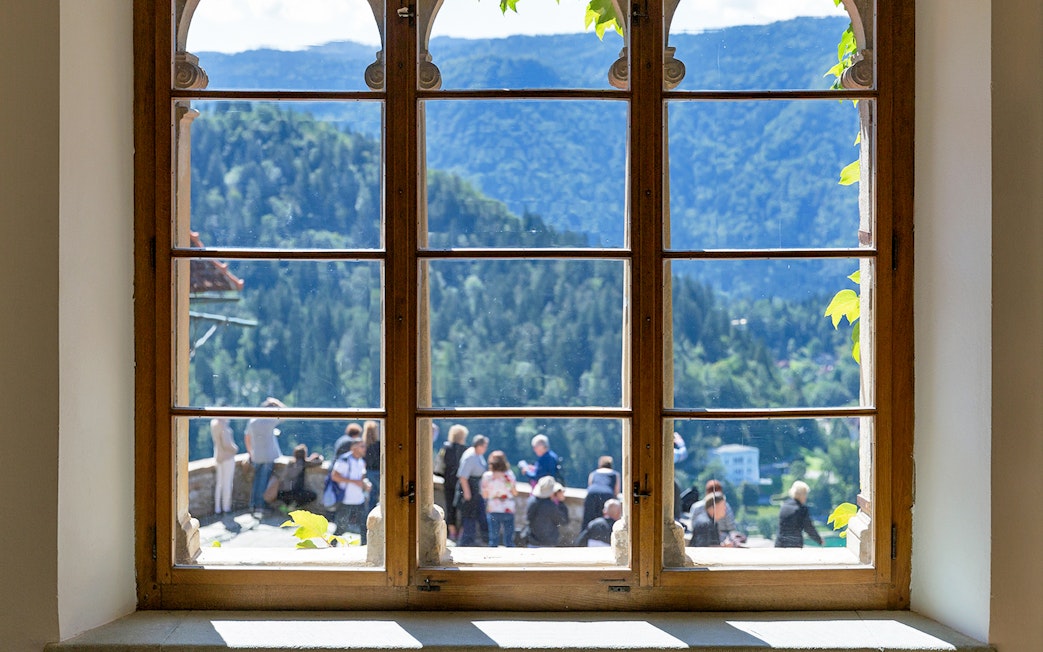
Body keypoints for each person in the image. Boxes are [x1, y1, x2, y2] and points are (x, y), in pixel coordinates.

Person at [244, 397, 286, 515]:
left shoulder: (253, 420)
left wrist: (250, 452)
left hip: (256, 455)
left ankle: (253, 505)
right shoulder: (269, 420)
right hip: (268, 455)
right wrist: (276, 402)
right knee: (264, 481)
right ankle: (260, 505)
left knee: (256, 481)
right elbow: (286, 413)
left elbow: (247, 437)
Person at [331, 437, 370, 544]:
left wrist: (365, 484)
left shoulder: (361, 461)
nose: (365, 449)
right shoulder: (344, 460)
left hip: (359, 499)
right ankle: (331, 545)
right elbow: (335, 476)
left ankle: (364, 548)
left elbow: (361, 478)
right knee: (341, 527)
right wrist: (354, 481)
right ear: (354, 448)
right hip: (346, 500)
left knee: (364, 526)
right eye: (362, 446)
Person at [455, 434, 489, 546]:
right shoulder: (470, 456)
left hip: (476, 490)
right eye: (484, 446)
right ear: (479, 445)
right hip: (469, 490)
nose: (485, 449)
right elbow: (463, 476)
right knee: (469, 517)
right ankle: (466, 542)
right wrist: (467, 493)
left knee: (476, 516)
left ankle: (473, 541)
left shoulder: (478, 455)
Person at [688, 479, 744, 545]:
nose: (724, 510)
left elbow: (693, 528)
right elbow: (731, 528)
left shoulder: (696, 508)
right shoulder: (706, 523)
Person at [481, 450, 519, 547]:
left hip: (493, 507)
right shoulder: (509, 475)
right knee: (509, 539)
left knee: (493, 539)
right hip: (508, 507)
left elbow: (484, 495)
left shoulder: (487, 476)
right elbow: (514, 492)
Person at [439, 424, 469, 541]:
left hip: (448, 480)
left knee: (449, 506)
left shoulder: (446, 448)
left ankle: (452, 532)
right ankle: (461, 533)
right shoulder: (465, 450)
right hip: (460, 482)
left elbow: (440, 464)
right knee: (461, 507)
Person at [775, 480, 823, 548]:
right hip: (795, 545)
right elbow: (809, 528)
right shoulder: (801, 509)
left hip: (780, 545)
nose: (806, 497)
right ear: (800, 494)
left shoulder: (784, 506)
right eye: (805, 494)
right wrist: (819, 540)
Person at [525, 476, 569, 547]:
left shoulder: (532, 501)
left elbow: (528, 518)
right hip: (547, 543)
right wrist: (561, 502)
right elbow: (564, 521)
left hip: (532, 541)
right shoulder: (550, 506)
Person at [276, 443, 323, 508]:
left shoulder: (290, 463)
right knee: (313, 496)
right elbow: (318, 462)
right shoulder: (302, 463)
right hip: (294, 493)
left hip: (282, 492)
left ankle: (288, 507)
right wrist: (319, 457)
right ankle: (294, 507)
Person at [210, 417, 238, 515]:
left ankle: (217, 508)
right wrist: (235, 449)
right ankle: (226, 507)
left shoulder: (214, 424)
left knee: (219, 484)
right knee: (227, 483)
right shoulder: (223, 426)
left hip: (218, 456)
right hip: (227, 457)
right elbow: (226, 444)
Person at [582, 456, 620, 527]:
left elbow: (590, 485)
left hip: (592, 493)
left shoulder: (593, 473)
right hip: (607, 494)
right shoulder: (615, 474)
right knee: (606, 520)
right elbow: (616, 491)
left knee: (588, 520)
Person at [363, 420, 380, 513]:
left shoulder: (363, 445)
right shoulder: (379, 445)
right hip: (378, 472)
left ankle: (369, 515)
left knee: (372, 497)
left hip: (369, 472)